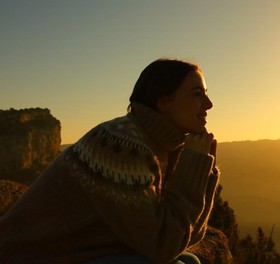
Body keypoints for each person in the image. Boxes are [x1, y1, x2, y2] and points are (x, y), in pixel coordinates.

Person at [0, 58, 219, 264]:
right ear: (164, 103)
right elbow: (163, 245)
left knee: (191, 260)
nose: (208, 104)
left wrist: (202, 173)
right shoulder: (122, 145)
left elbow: (185, 236)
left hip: (80, 251)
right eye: (197, 94)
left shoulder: (162, 145)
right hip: (29, 256)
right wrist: (194, 166)